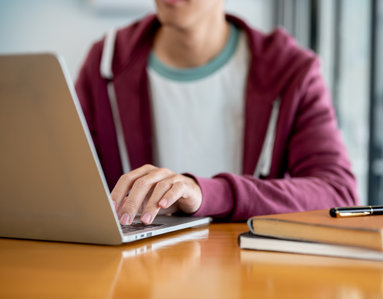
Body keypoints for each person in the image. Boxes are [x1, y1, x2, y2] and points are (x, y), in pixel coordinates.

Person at [75, 0, 358, 226]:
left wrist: (209, 194)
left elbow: (337, 193)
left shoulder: (290, 69)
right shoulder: (105, 64)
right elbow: (68, 184)